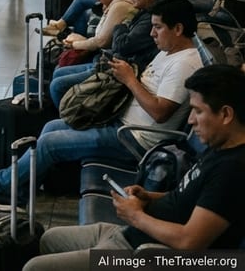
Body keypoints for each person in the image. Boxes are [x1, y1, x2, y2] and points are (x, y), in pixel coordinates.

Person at [0, 0, 206, 213]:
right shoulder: (169, 52)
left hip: (135, 140)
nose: (152, 34)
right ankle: (17, 196)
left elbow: (160, 112)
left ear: (178, 28)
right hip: (121, 123)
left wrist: (129, 79)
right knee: (51, 127)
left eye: (158, 27)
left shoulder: (184, 64)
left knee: (50, 144)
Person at [22, 64, 245, 271]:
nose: (190, 120)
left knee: (34, 268)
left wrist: (136, 215)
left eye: (198, 111)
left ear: (226, 114)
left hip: (140, 252)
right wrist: (149, 197)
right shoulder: (219, 146)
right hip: (131, 233)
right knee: (49, 239)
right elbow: (189, 198)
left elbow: (190, 242)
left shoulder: (232, 170)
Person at [49, 0, 165, 107]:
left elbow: (119, 45)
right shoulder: (143, 13)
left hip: (115, 69)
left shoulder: (140, 16)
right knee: (58, 72)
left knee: (57, 85)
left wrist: (120, 25)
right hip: (113, 63)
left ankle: (69, 114)